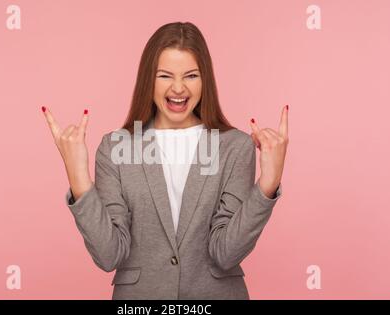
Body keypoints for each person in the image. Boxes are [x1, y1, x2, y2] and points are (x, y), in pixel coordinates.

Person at [42, 21, 289, 299]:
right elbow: (109, 255)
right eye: (165, 76)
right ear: (149, 78)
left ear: (205, 79)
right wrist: (78, 179)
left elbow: (225, 253)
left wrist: (267, 186)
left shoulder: (235, 147)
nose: (179, 88)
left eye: (191, 75)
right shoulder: (115, 148)